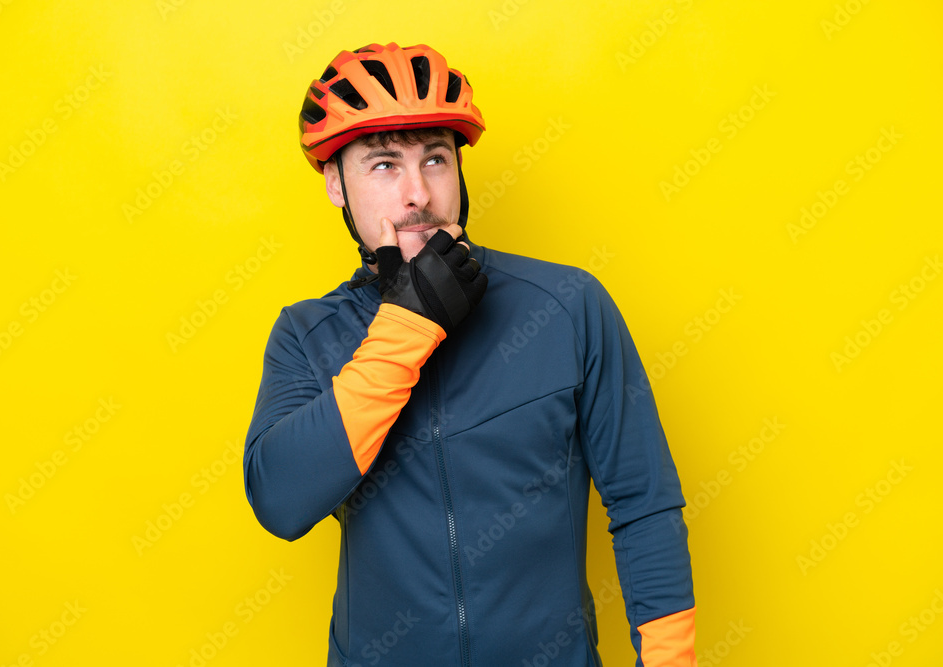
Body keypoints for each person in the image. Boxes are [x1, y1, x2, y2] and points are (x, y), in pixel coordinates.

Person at [243, 42, 697, 666]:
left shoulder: (568, 305)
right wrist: (406, 327)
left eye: (435, 159)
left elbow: (644, 505)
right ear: (335, 184)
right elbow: (282, 500)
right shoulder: (305, 334)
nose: (417, 194)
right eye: (383, 165)